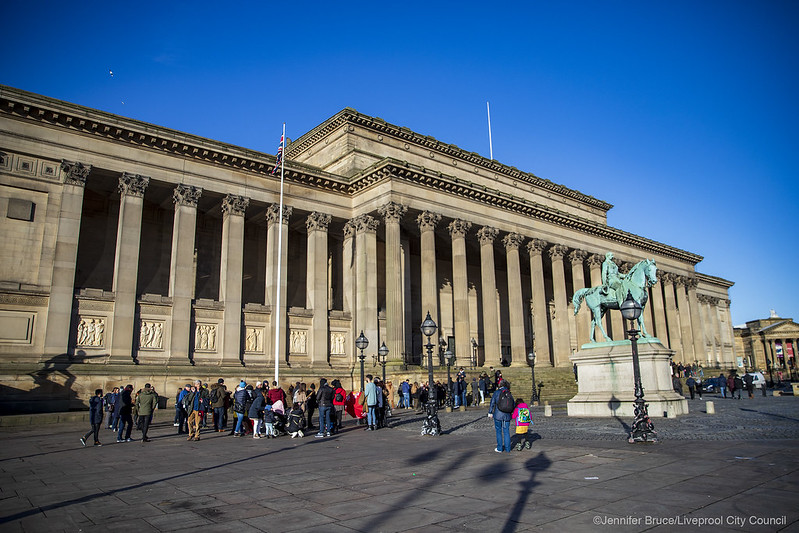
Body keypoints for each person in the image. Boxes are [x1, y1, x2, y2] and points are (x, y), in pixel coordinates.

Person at [488, 379, 513, 453]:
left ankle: (499, 448)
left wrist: (490, 412)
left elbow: (492, 402)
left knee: (498, 431)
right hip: (507, 415)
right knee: (506, 431)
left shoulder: (497, 392)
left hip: (498, 415)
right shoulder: (509, 392)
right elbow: (513, 404)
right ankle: (508, 449)